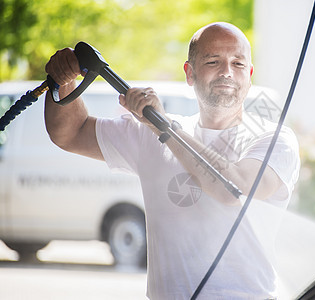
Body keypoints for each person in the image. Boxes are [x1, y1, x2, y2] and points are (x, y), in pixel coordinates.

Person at [45, 22, 300, 299]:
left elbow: (233, 189)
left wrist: (163, 128)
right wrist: (62, 80)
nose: (227, 72)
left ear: (249, 75)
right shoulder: (151, 129)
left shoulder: (274, 139)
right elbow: (70, 133)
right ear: (189, 73)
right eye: (213, 61)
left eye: (238, 64)